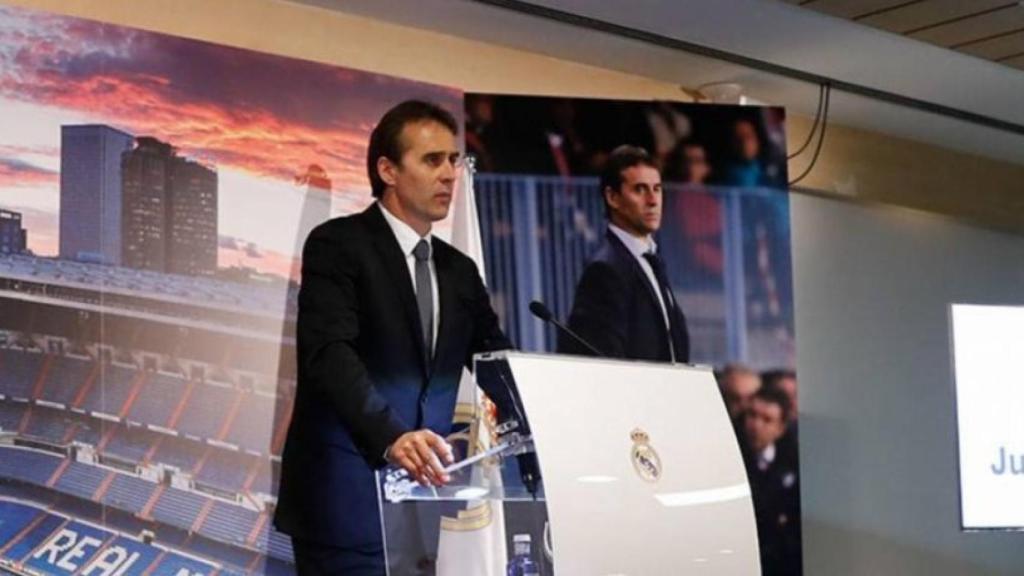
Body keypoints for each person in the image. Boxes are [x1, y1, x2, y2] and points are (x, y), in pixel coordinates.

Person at [274, 100, 512, 575]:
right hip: (345, 505)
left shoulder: (459, 272)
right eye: (431, 160)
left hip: (423, 508)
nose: (449, 174)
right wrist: (392, 437)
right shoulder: (337, 245)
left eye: (452, 160)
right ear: (387, 169)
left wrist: (550, 414)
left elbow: (494, 361)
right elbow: (329, 355)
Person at [559, 145, 689, 363]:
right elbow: (605, 360)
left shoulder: (652, 261)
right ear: (612, 197)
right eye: (640, 189)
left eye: (657, 189)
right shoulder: (605, 270)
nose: (653, 200)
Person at [741, 386, 802, 576]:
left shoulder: (794, 463)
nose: (756, 425)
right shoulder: (733, 460)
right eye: (752, 415)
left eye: (767, 420)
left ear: (781, 428)